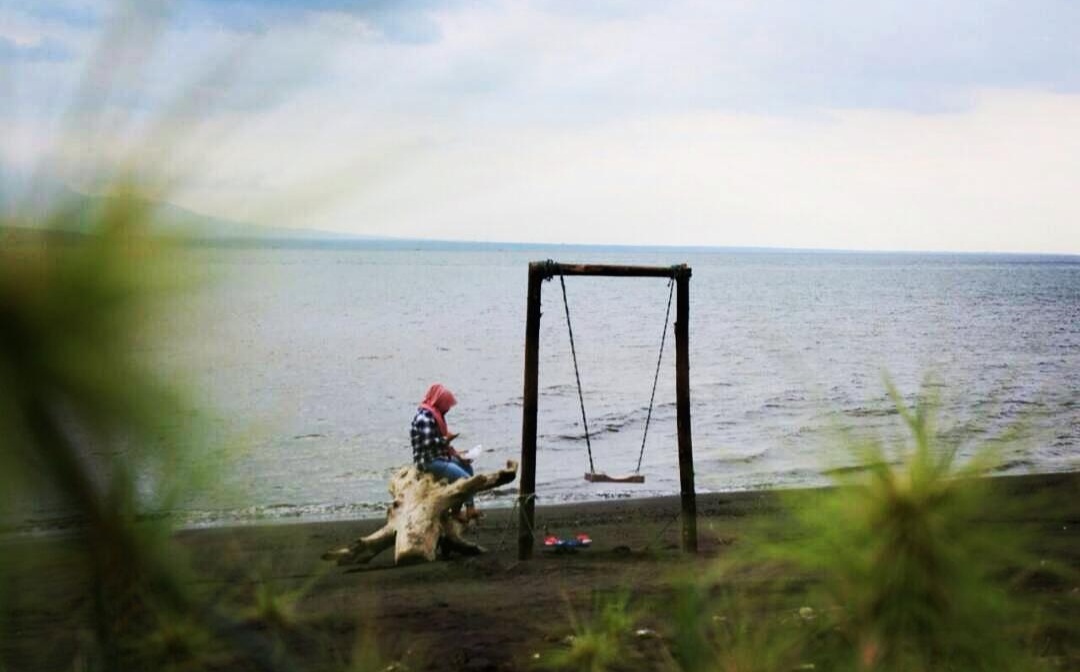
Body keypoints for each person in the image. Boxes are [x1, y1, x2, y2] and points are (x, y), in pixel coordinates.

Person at [410, 383, 481, 522]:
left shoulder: (434, 415)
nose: (448, 409)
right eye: (446, 405)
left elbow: (437, 441)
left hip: (439, 456)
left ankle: (456, 510)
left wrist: (457, 454)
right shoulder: (424, 418)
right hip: (429, 461)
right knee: (466, 479)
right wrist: (445, 439)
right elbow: (428, 443)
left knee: (467, 468)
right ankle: (470, 508)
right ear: (439, 402)